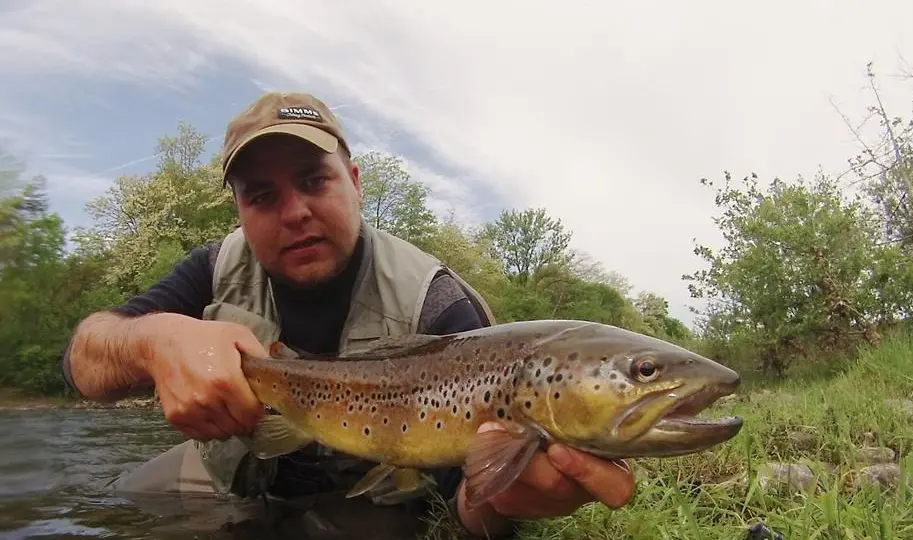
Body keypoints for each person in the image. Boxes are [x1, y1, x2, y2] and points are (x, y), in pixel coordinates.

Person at [62, 91, 636, 539]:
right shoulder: (212, 268)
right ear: (239, 210)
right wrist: (153, 340)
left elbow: (472, 508)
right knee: (114, 507)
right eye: (262, 196)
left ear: (355, 183)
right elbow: (84, 360)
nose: (294, 212)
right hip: (235, 479)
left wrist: (503, 502)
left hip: (371, 504)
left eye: (314, 180)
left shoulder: (440, 303)